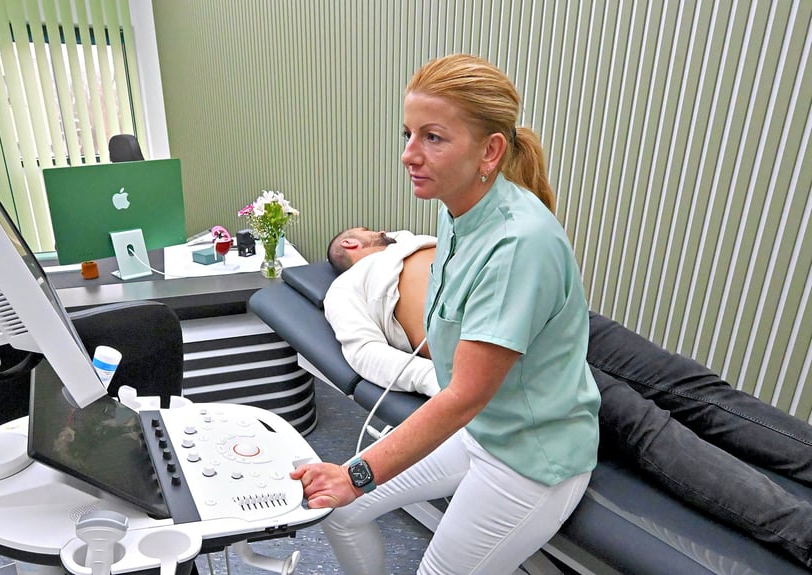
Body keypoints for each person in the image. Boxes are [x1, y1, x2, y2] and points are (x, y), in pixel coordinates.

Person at [324, 227, 812, 568]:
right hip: (502, 350)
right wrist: (450, 383)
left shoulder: (421, 236)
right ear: (351, 243)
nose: (383, 231)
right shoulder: (348, 286)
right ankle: (800, 531)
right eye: (371, 231)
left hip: (561, 315)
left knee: (693, 387)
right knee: (647, 428)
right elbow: (367, 356)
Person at [291, 54, 601, 574]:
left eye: (433, 137)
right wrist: (351, 483)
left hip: (529, 457)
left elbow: (462, 396)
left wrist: (357, 472)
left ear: (490, 151)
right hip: (484, 429)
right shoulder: (456, 208)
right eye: (408, 134)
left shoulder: (518, 244)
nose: (410, 154)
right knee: (339, 514)